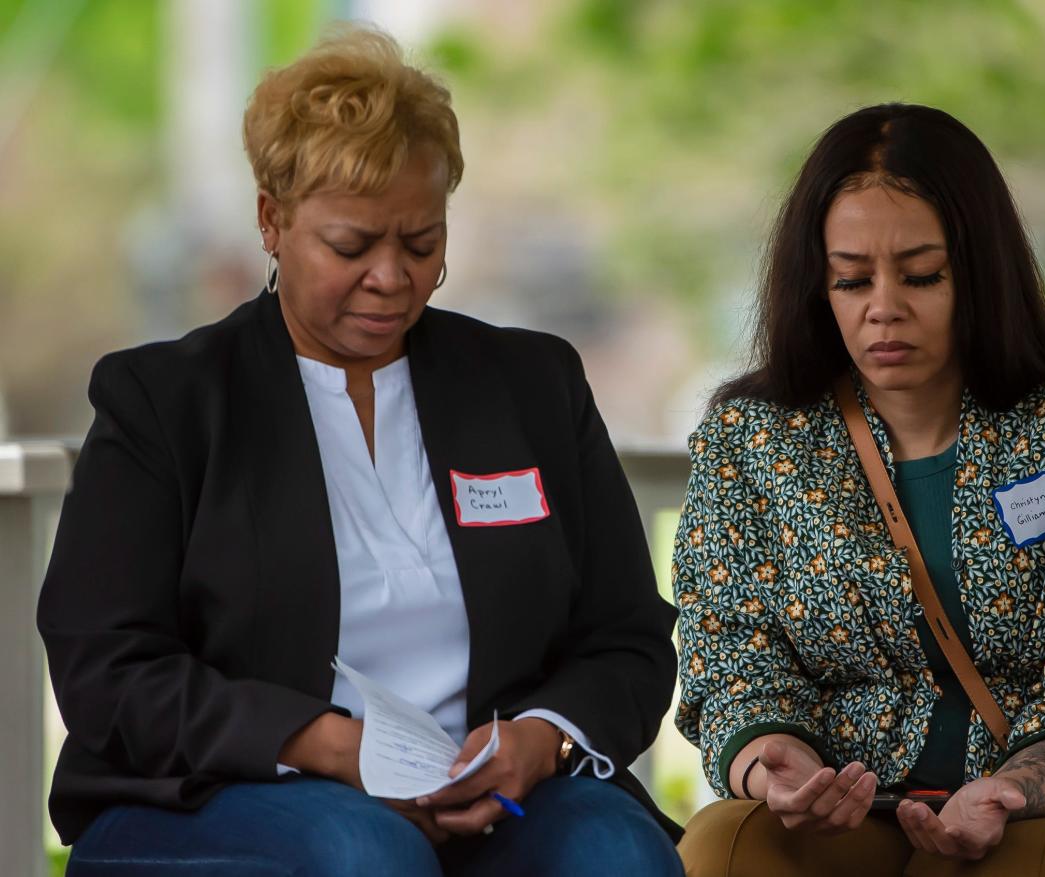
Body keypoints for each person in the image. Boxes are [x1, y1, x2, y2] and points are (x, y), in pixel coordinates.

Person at [39, 25, 683, 877]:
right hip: (222, 792)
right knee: (366, 851)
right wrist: (331, 749)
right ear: (271, 221)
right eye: (351, 246)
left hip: (499, 796)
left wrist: (540, 738)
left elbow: (627, 637)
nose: (392, 277)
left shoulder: (532, 385)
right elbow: (108, 667)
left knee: (618, 854)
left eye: (422, 243)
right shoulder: (167, 401)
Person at [672, 103, 1045, 876]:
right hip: (845, 806)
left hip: (1042, 808)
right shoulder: (751, 441)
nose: (884, 305)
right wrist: (769, 761)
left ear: (982, 270)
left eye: (921, 275)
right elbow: (732, 655)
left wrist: (1010, 790)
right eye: (851, 279)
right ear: (817, 285)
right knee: (724, 846)